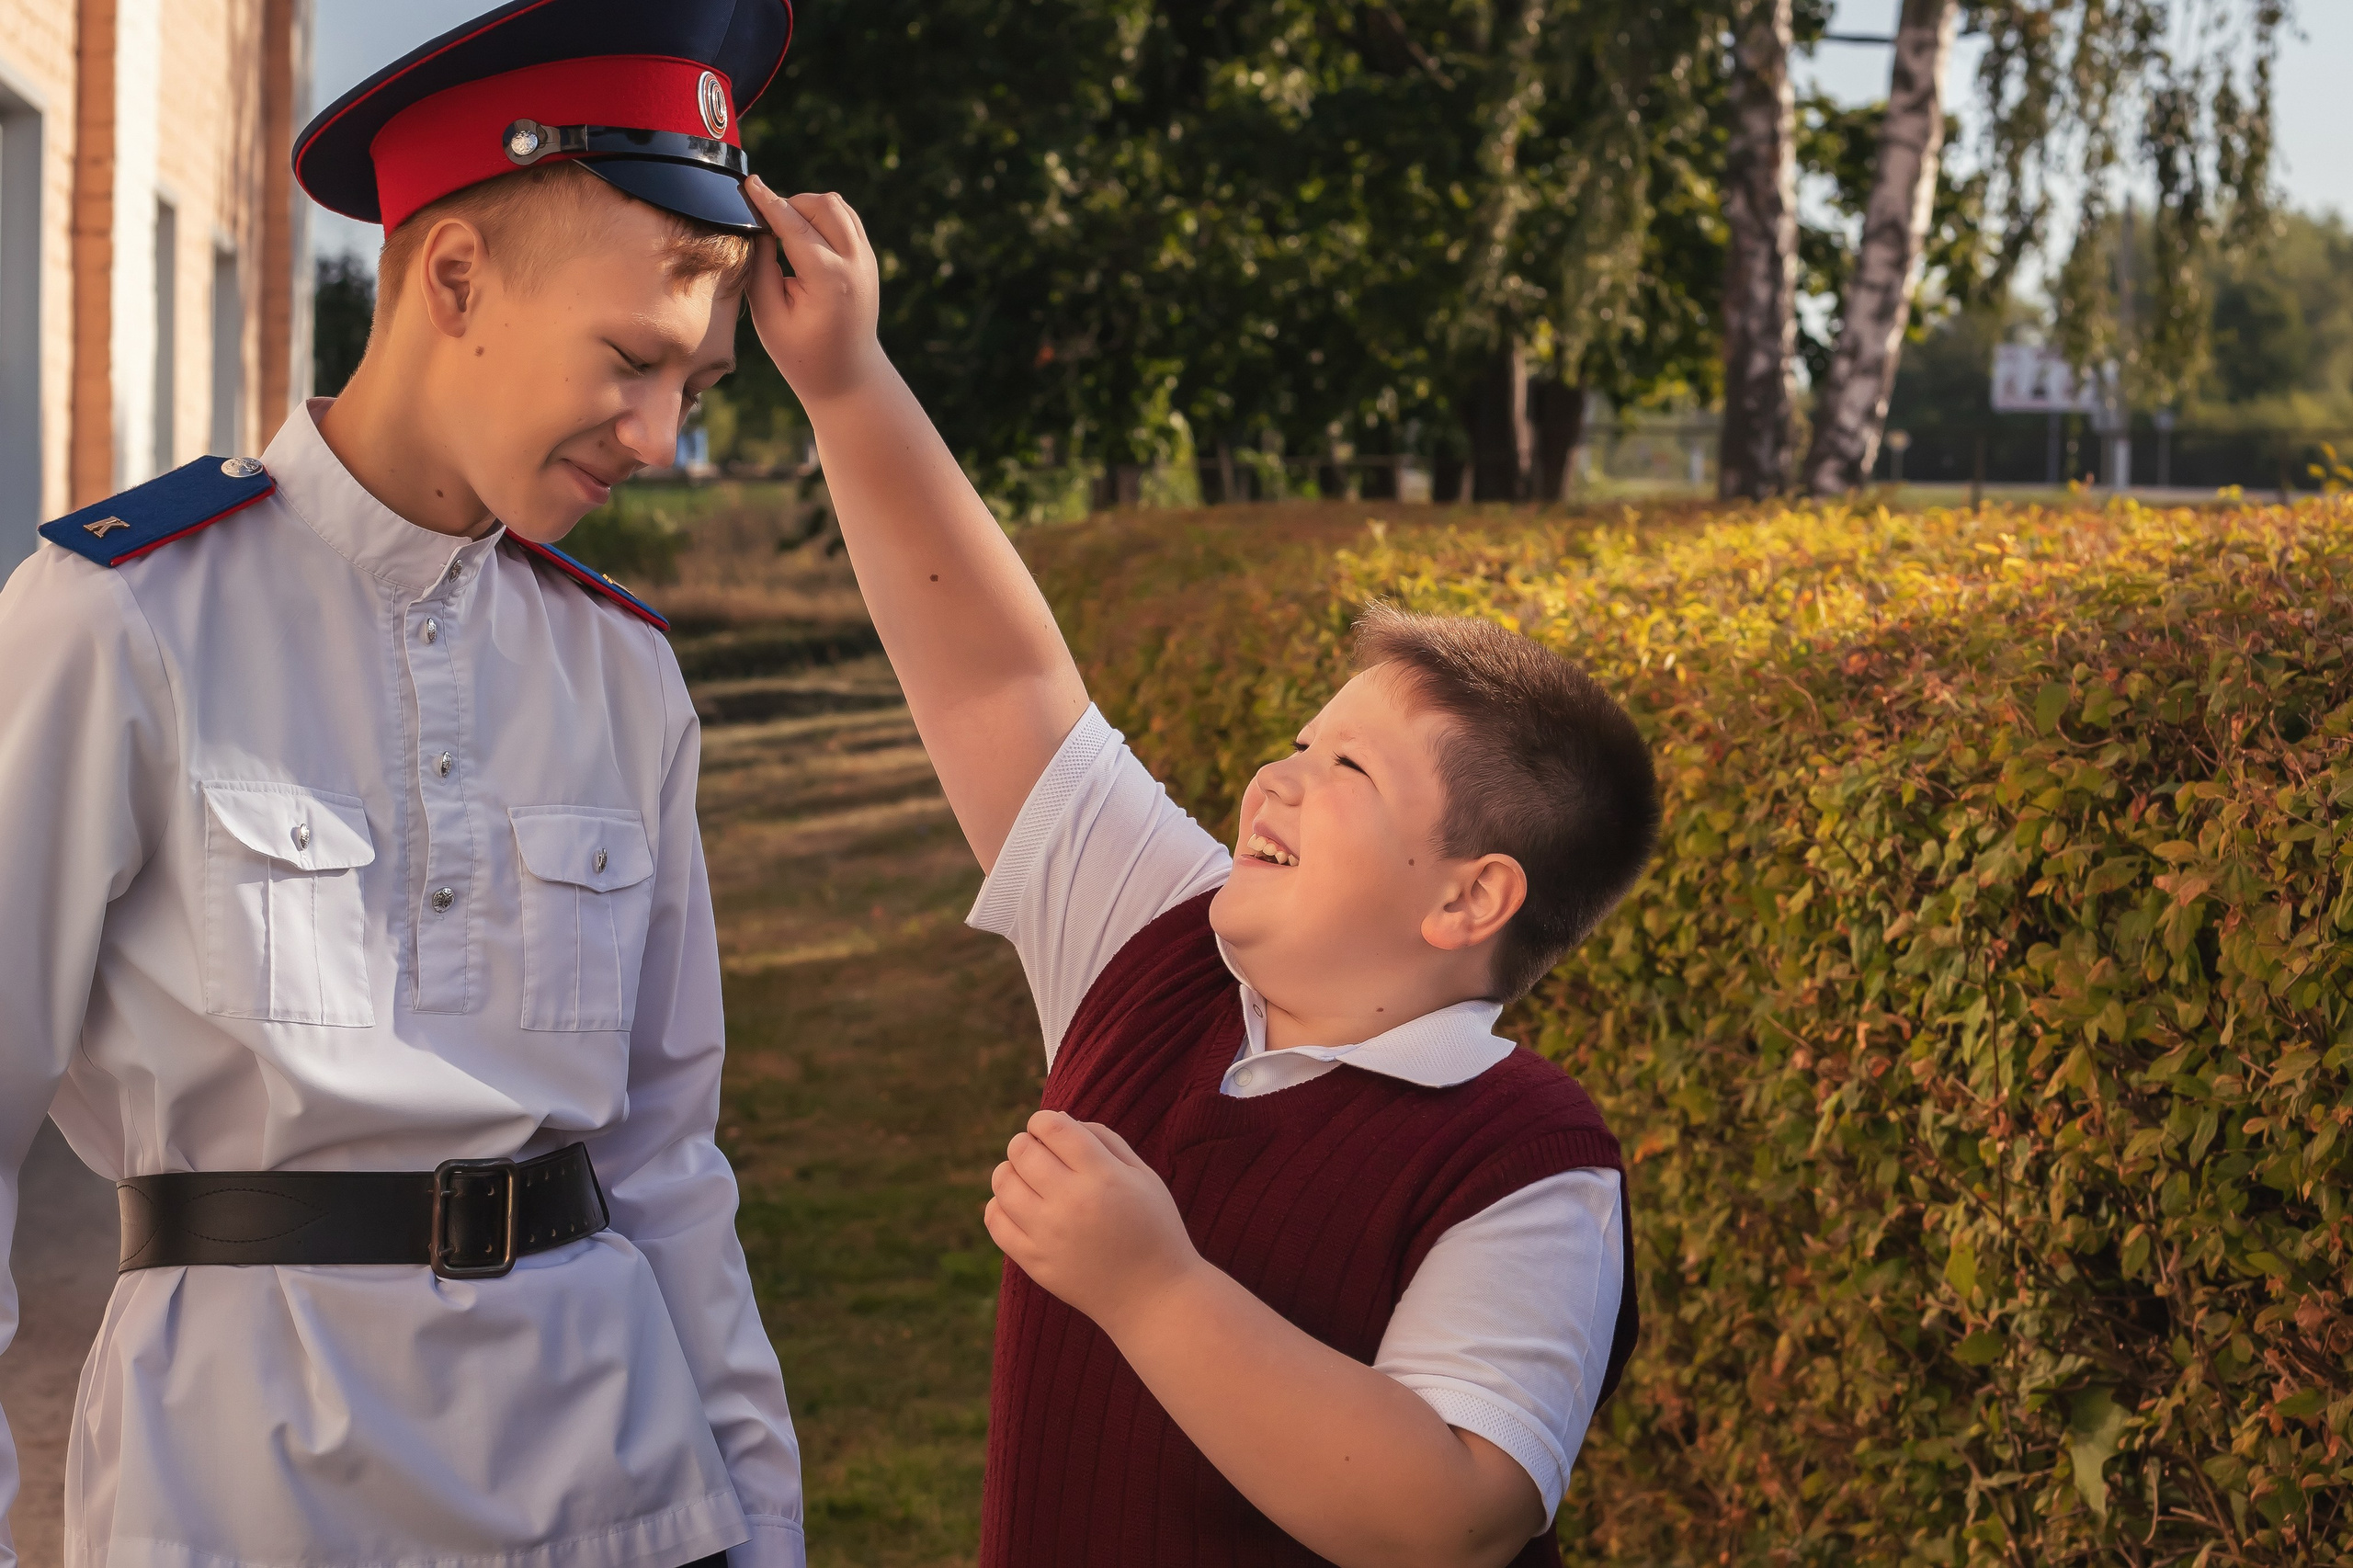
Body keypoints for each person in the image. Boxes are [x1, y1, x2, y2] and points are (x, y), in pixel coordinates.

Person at [741, 183, 1659, 1565]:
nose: (1274, 779)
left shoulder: (1527, 1166)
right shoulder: (1164, 947)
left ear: (1469, 898)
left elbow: (1452, 1512)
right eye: (1304, 740)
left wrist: (1152, 1285)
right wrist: (847, 378)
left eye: (1347, 773)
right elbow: (999, 674)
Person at [0, 3, 804, 1564]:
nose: (659, 435)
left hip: (622, 1500)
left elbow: (666, 1155)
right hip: (246, 1499)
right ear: (452, 278)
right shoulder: (119, 617)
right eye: (634, 359)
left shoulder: (623, 673)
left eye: (698, 386)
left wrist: (761, 1515)